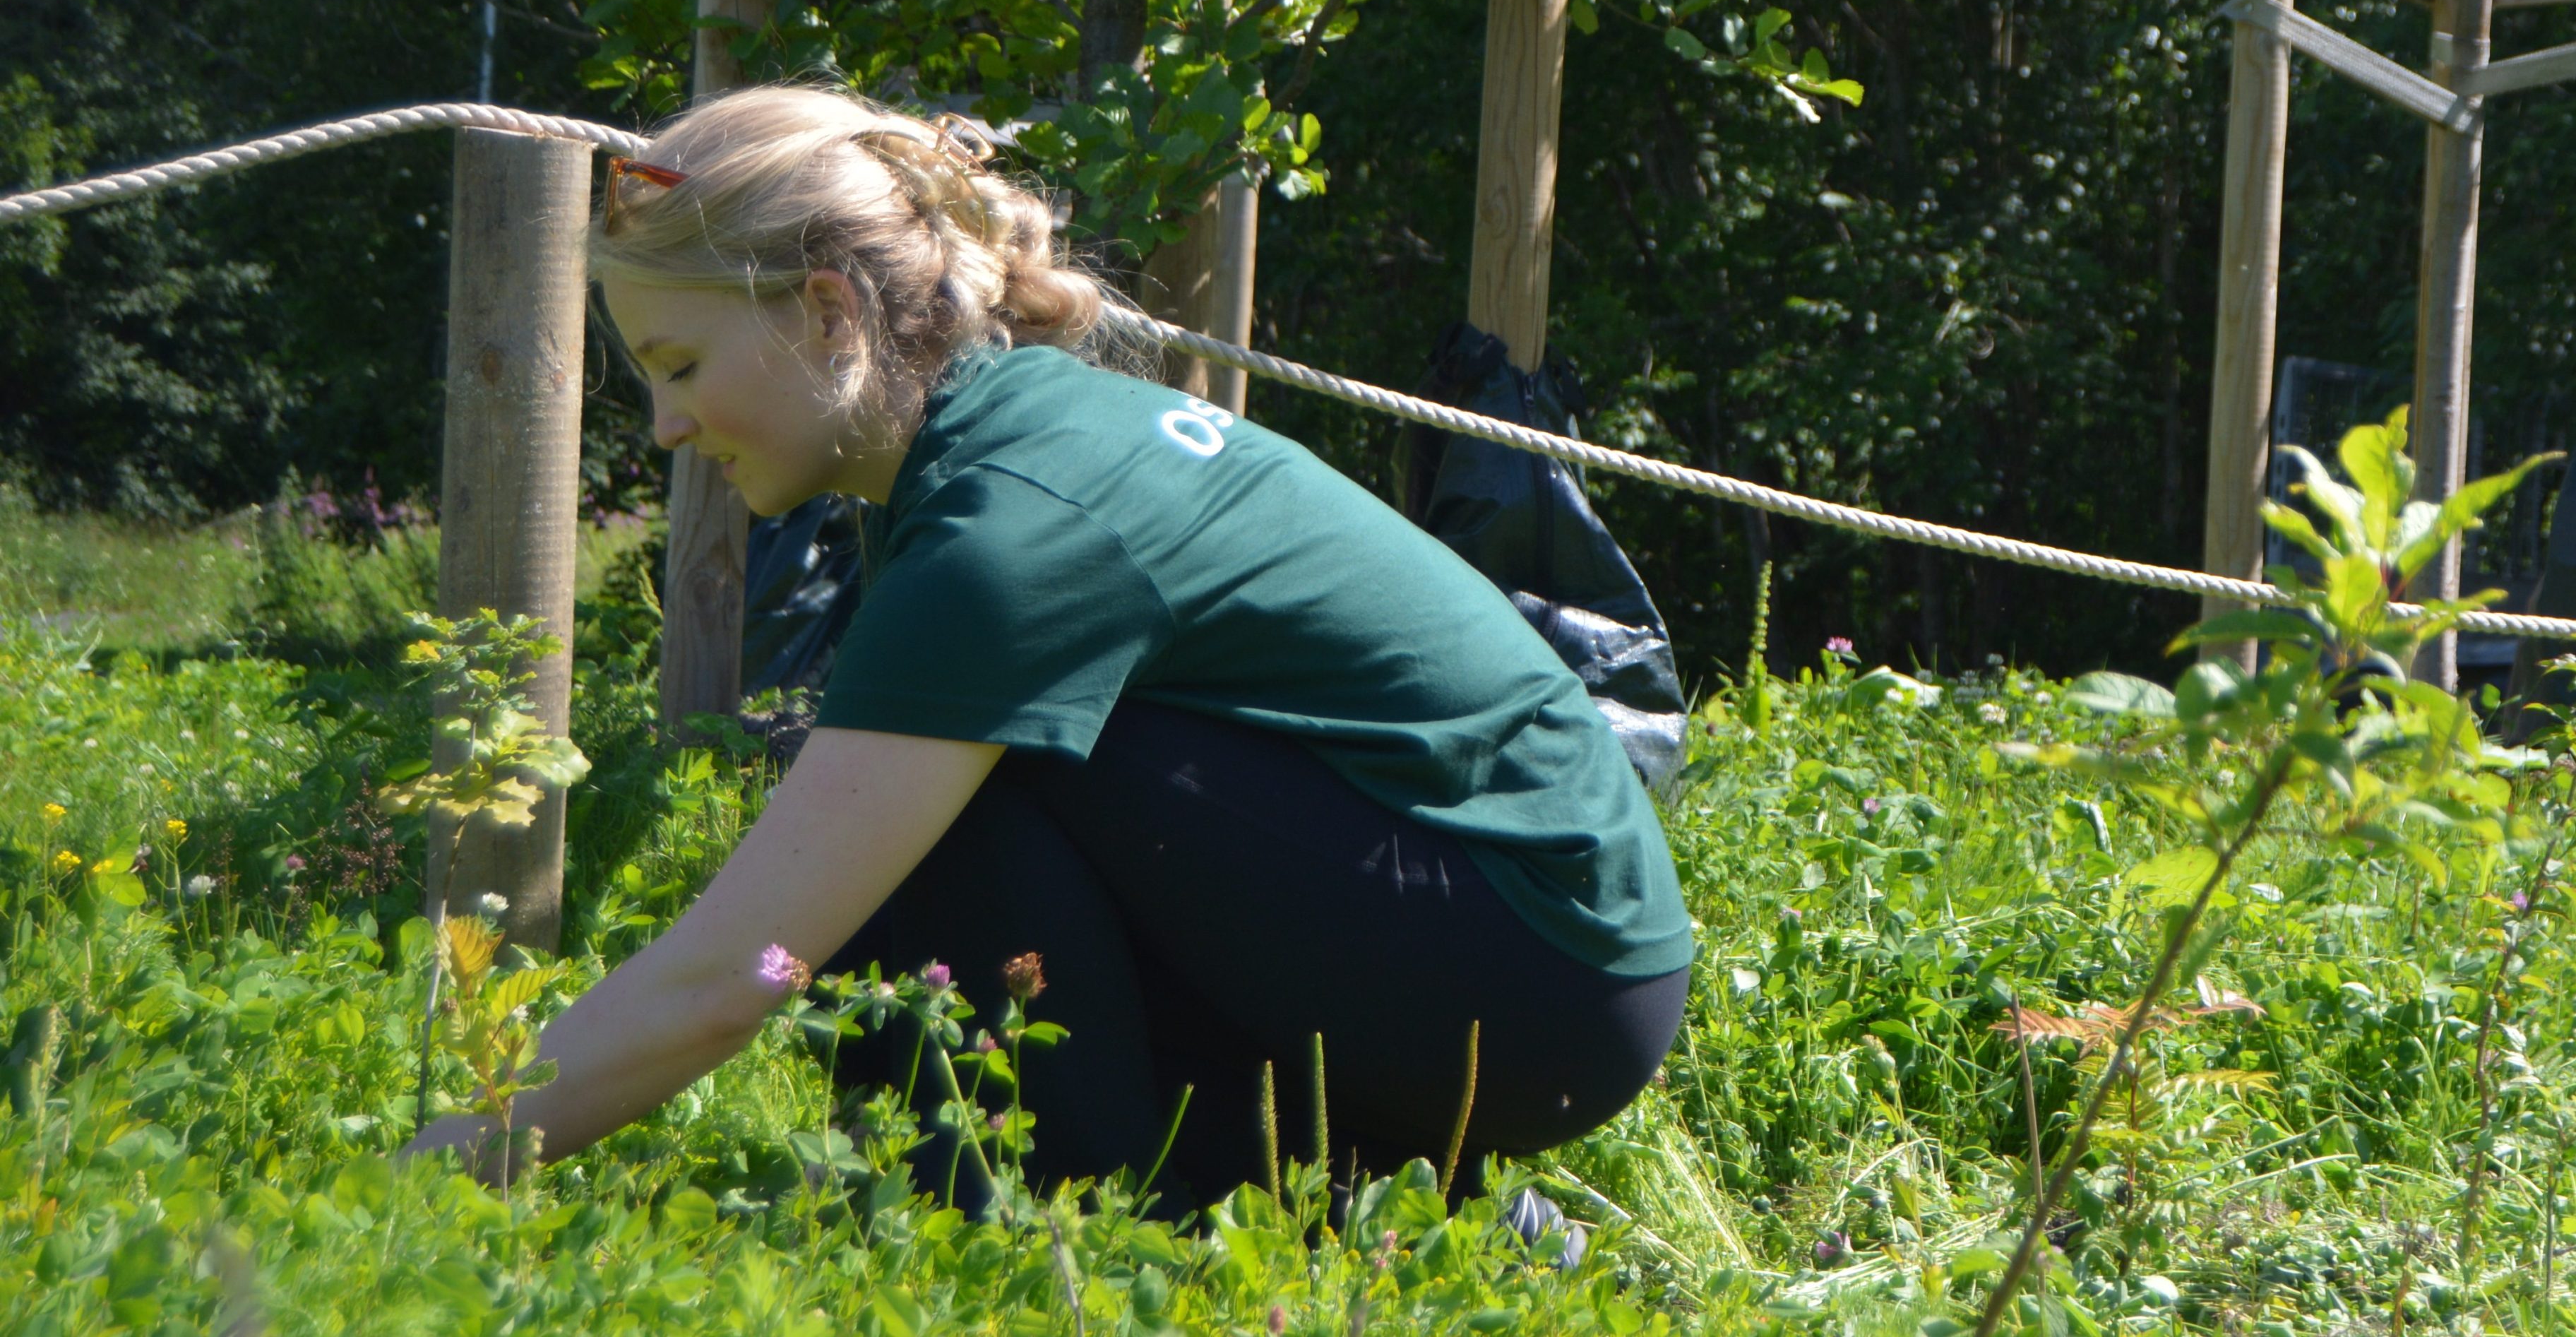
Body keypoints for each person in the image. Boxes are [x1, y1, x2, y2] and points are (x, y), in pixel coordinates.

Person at [404, 84, 1692, 1219]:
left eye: (679, 364)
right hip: (1528, 952)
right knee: (927, 786)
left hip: (1541, 984)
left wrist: (423, 1167)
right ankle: (1331, 1193)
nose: (669, 425)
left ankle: (1087, 1228)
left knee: (936, 802)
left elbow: (730, 975)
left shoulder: (1008, 534)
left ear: (827, 311)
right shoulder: (1005, 438)